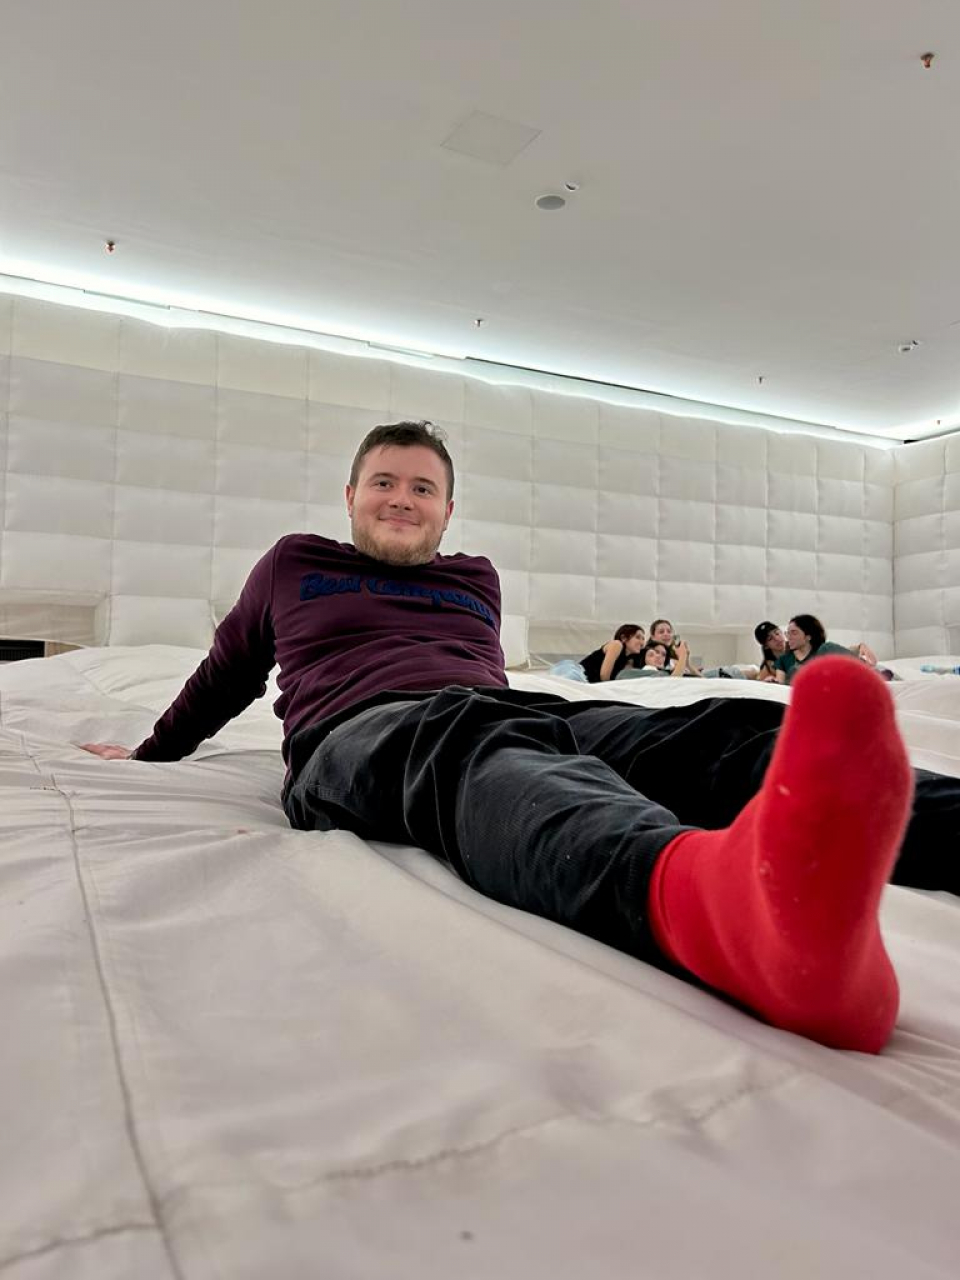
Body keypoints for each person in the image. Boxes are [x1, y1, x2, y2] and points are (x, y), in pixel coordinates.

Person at [82, 421, 960, 1055]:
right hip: (356, 734)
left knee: (708, 729)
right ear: (350, 496)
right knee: (481, 749)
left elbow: (485, 679)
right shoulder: (294, 563)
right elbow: (227, 672)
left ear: (447, 510)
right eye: (383, 482)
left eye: (422, 488)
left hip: (507, 708)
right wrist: (153, 753)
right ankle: (721, 914)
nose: (401, 498)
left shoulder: (477, 578)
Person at [579, 624, 646, 683]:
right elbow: (604, 676)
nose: (642, 643)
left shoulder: (629, 659)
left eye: (643, 639)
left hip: (586, 681)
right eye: (637, 637)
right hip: (578, 674)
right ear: (623, 638)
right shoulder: (617, 644)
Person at [617, 639, 688, 679]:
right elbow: (672, 682)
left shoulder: (664, 674)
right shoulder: (626, 673)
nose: (659, 656)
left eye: (663, 655)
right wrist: (683, 655)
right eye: (654, 653)